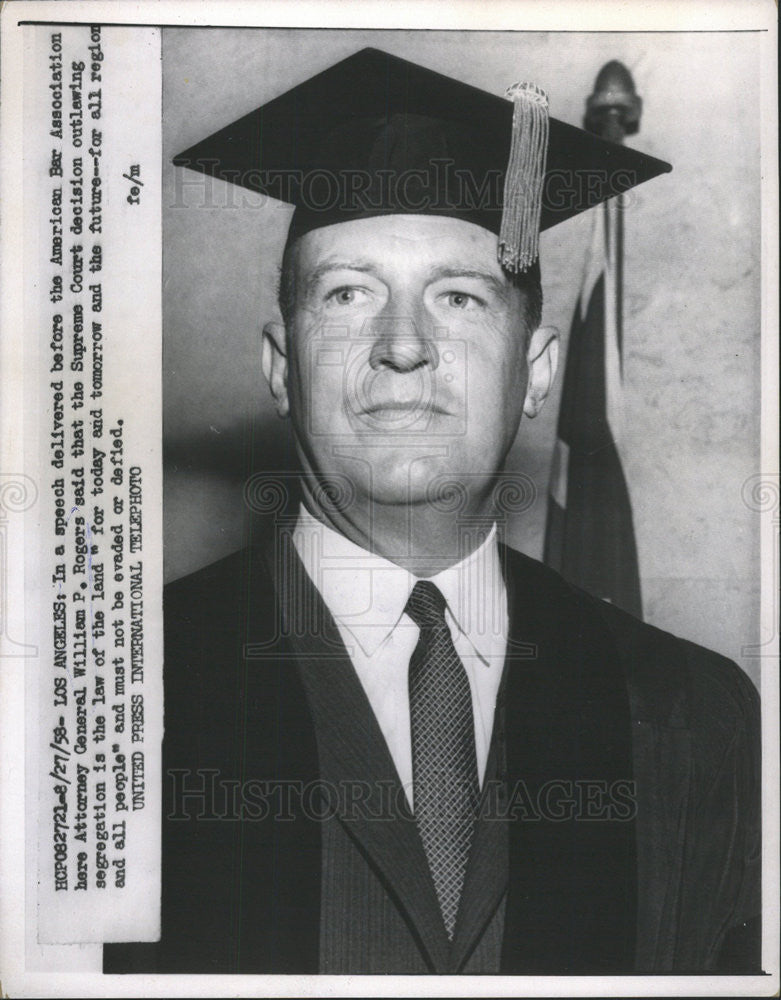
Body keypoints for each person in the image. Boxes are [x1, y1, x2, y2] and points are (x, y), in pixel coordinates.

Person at [105, 47, 760, 976]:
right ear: (281, 369)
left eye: (457, 296)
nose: (403, 344)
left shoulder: (689, 714)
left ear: (533, 373)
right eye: (346, 294)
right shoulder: (109, 699)